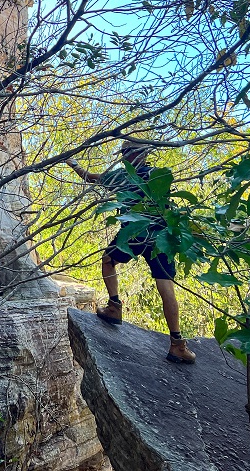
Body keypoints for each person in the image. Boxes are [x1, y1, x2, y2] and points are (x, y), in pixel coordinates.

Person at [66, 140, 196, 364]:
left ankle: (115, 307)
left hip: (134, 232)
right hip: (161, 235)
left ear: (130, 155)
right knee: (165, 284)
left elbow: (89, 176)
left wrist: (73, 163)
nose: (124, 157)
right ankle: (177, 344)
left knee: (108, 260)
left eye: (125, 153)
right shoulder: (159, 175)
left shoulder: (122, 176)